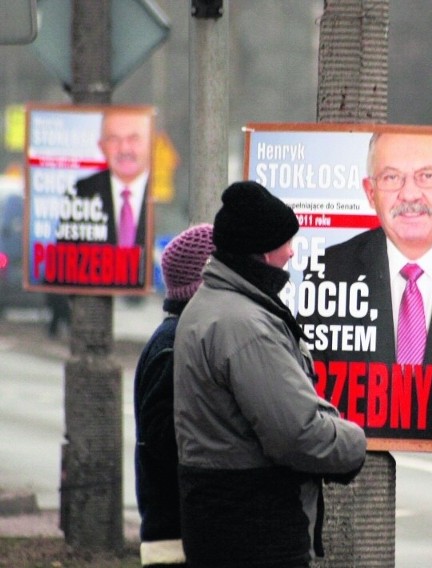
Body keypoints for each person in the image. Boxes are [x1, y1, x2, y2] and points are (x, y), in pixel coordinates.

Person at [173, 181, 367, 568]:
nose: (292, 252)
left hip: (219, 521)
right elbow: (295, 434)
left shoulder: (209, 306)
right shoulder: (246, 325)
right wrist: (354, 442)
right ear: (262, 251)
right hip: (255, 531)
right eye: (286, 242)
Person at [299, 132, 432, 368]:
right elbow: (306, 387)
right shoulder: (329, 272)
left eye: (427, 176)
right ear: (371, 193)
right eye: (391, 177)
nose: (409, 194)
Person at [134, 223, 214, 568]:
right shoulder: (174, 345)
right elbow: (163, 438)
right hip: (175, 537)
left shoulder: (178, 336)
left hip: (181, 530)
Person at [63, 108, 152, 247]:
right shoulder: (81, 192)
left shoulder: (165, 193)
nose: (124, 149)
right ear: (101, 146)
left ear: (151, 142)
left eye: (134, 138)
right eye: (113, 139)